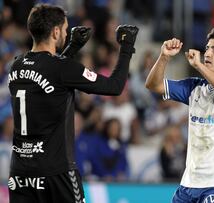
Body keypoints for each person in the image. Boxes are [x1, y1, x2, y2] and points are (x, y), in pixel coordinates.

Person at [7, 4, 138, 203]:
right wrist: (127, 47)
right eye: (66, 29)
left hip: (20, 173)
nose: (67, 32)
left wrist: (72, 47)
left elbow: (48, 75)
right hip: (56, 173)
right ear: (56, 31)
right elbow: (114, 87)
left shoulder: (16, 65)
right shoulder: (62, 68)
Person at [145, 25, 214, 203]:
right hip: (190, 182)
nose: (208, 53)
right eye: (207, 48)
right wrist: (164, 57)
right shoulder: (194, 87)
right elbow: (153, 85)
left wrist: (200, 66)